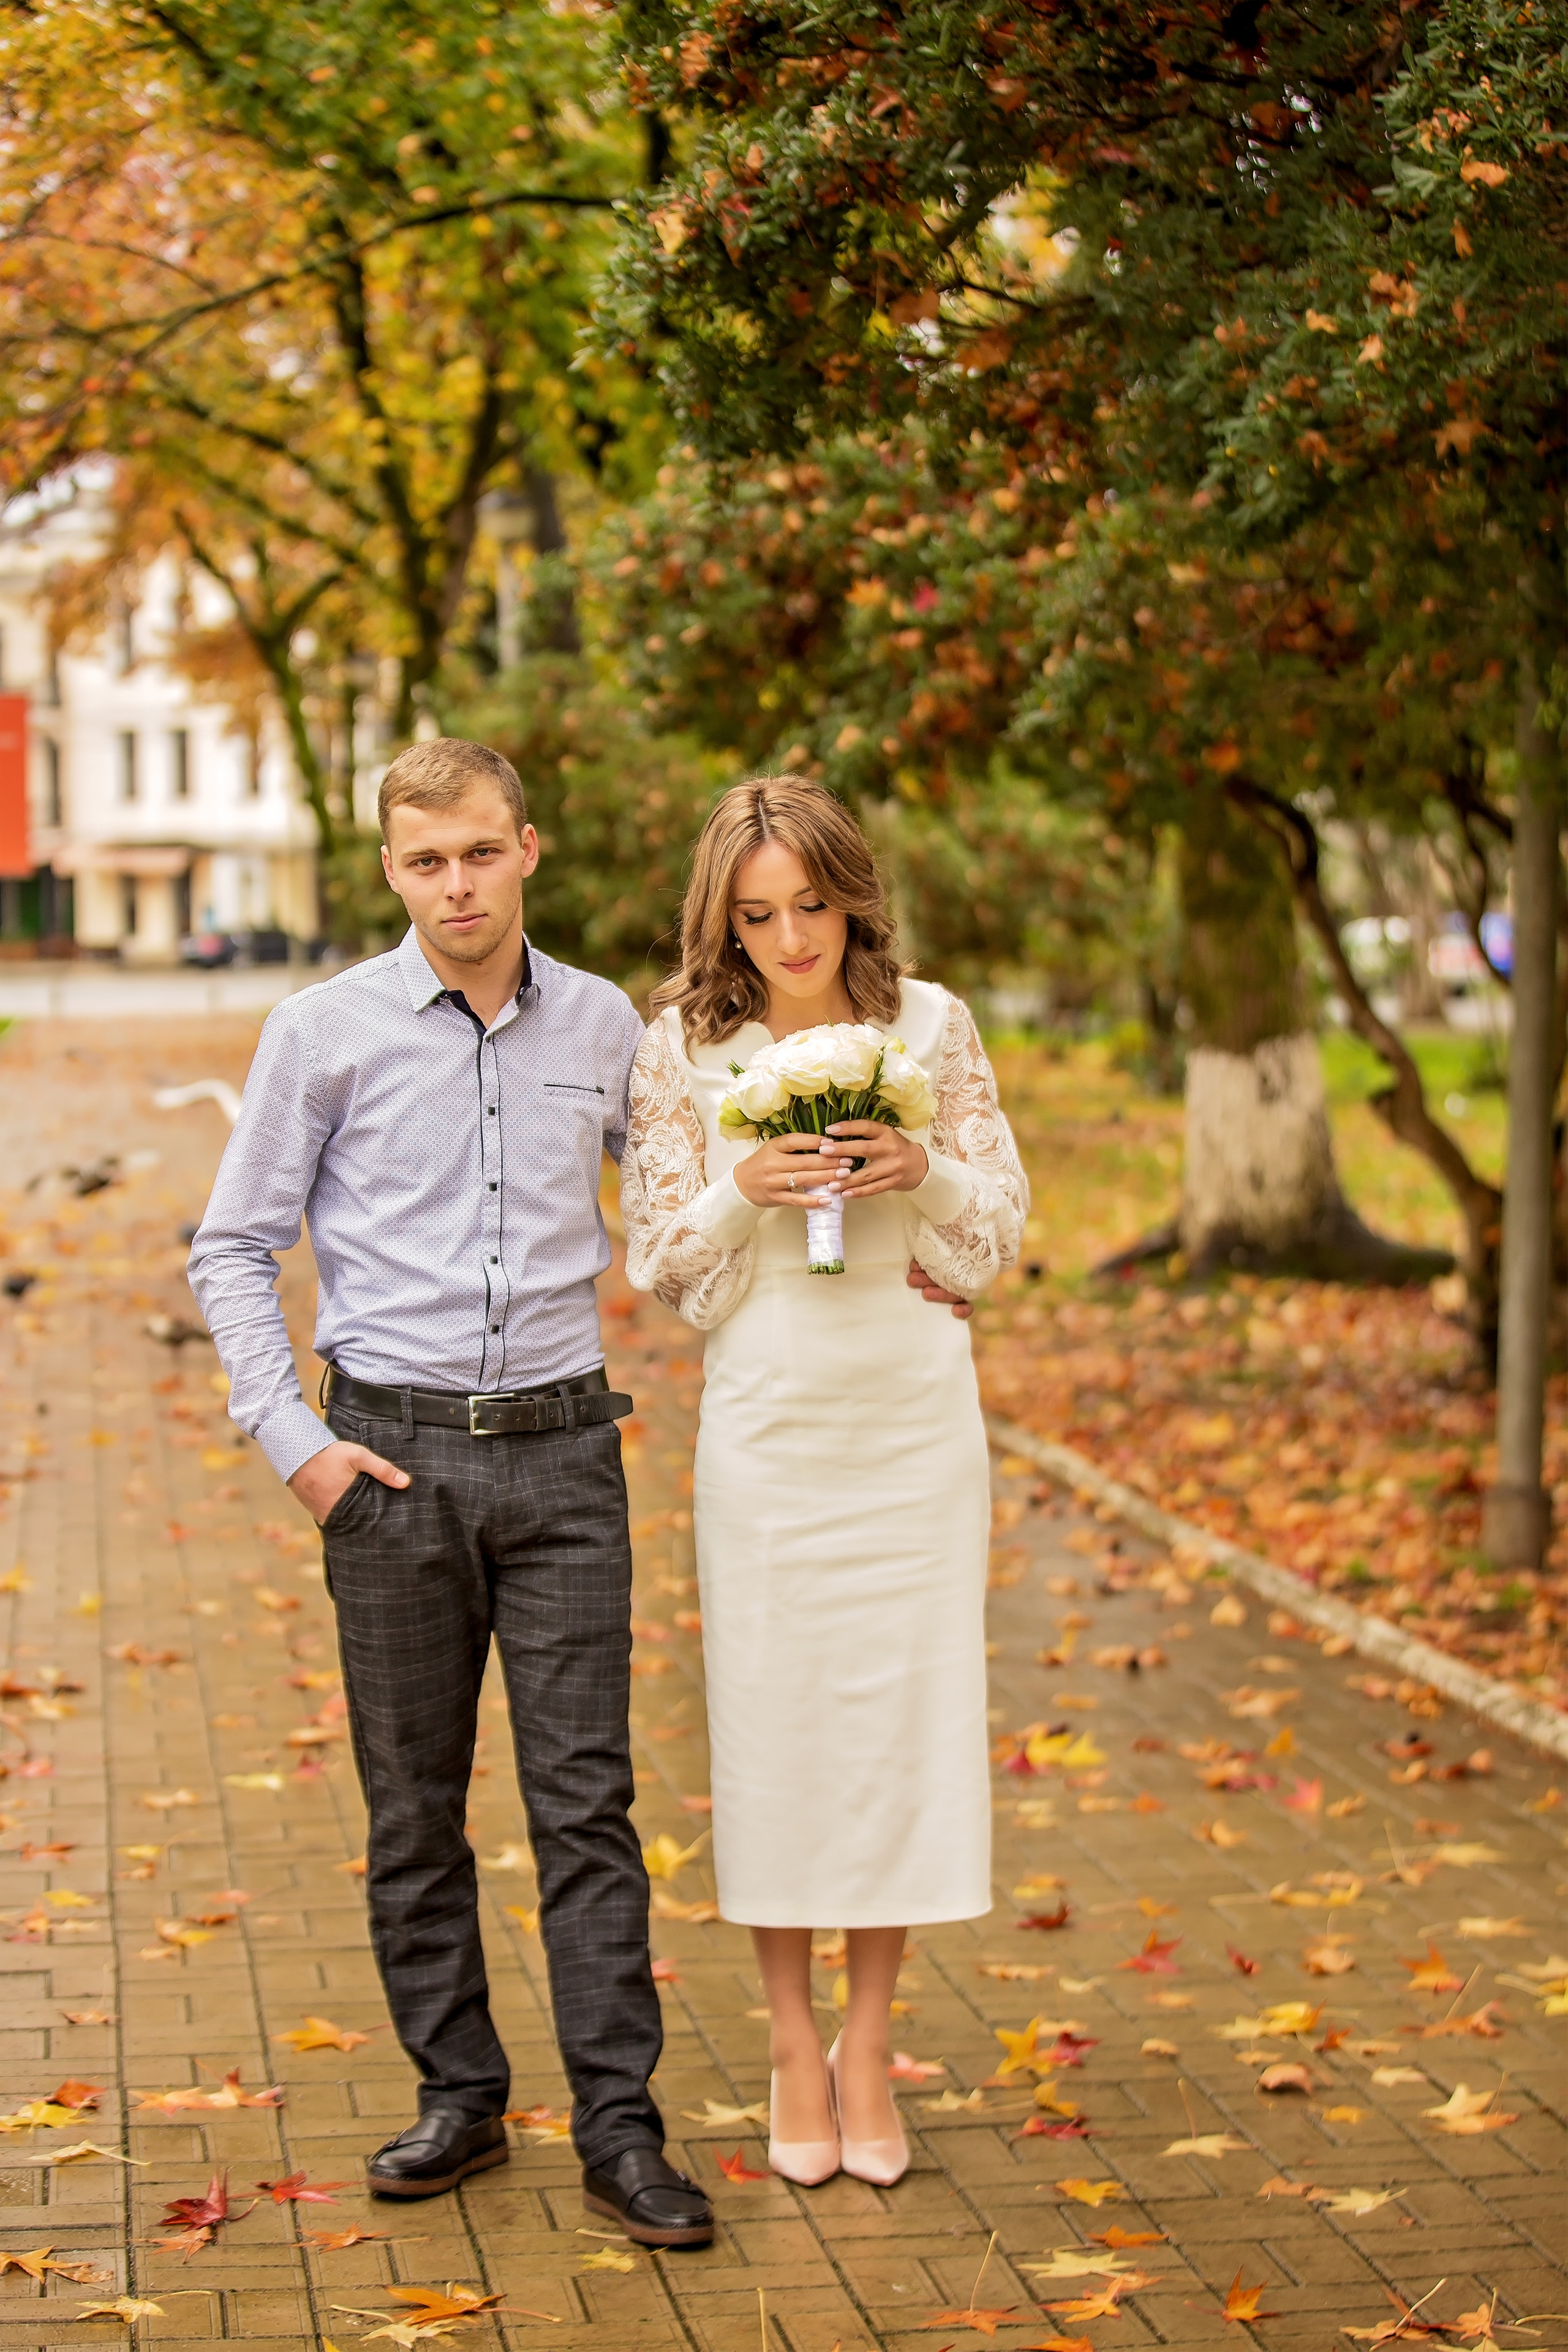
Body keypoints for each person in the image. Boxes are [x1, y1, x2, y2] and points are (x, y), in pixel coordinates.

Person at [187, 737, 714, 2247]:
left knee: (587, 1810)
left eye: (479, 852)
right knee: (414, 1810)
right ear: (389, 871)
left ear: (525, 849)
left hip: (563, 1460)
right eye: (425, 861)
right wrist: (293, 1441)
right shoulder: (322, 1030)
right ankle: (460, 2096)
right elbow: (235, 1244)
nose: (456, 883)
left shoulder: (607, 1023)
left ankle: (621, 2129)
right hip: (389, 1468)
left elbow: (685, 1205)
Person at [619, 775, 1027, 2187]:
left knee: (897, 1734)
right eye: (756, 915)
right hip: (771, 1427)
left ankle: (868, 2042)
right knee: (780, 1732)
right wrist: (750, 1188)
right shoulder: (682, 1043)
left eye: (809, 903)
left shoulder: (935, 1024)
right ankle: (790, 2041)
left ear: (851, 889)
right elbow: (665, 1271)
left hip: (912, 1425)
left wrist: (924, 1170)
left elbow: (992, 1237)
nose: (789, 938)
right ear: (720, 921)